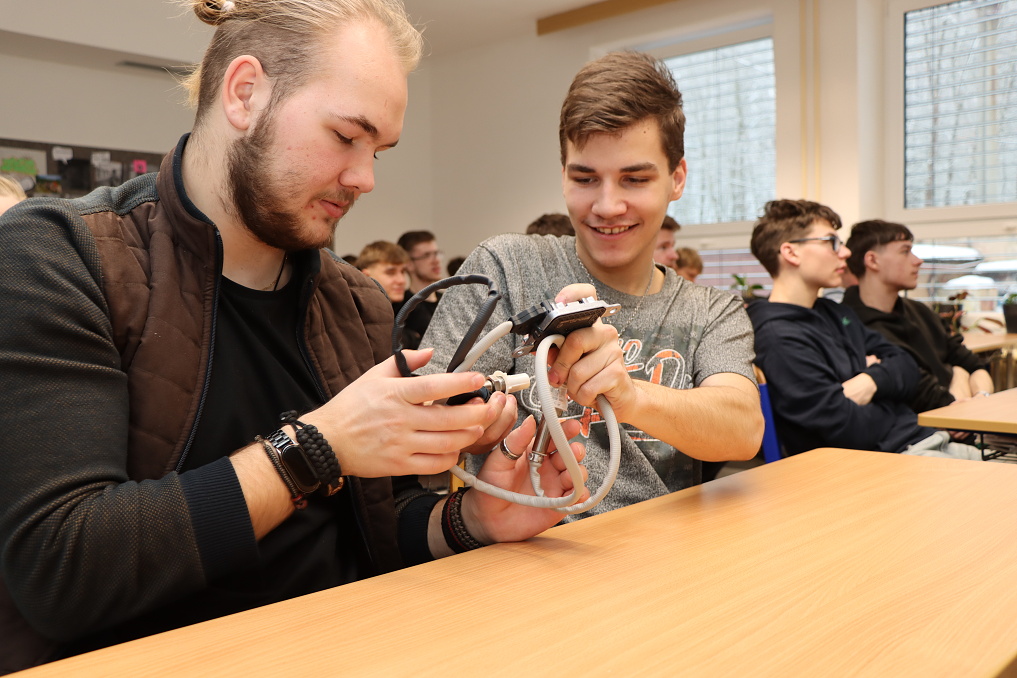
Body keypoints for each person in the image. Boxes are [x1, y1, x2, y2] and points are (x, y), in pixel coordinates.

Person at [0, 1, 587, 672]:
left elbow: (380, 528)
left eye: (377, 151)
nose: (366, 178)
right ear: (245, 93)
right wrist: (316, 446)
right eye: (346, 136)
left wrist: (472, 520)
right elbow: (60, 570)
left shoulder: (356, 303)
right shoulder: (61, 258)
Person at [419, 51, 763, 518]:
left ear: (677, 178)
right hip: (521, 545)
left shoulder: (710, 310)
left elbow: (743, 431)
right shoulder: (505, 267)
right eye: (585, 178)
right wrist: (473, 429)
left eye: (634, 179)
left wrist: (631, 396)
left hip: (659, 547)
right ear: (563, 177)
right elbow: (427, 426)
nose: (607, 206)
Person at [746, 199, 986, 459]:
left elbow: (905, 364)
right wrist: (890, 396)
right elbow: (844, 426)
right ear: (791, 253)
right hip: (885, 459)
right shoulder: (777, 336)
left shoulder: (836, 313)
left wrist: (870, 381)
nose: (845, 253)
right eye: (831, 242)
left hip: (922, 441)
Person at [841, 219, 992, 412]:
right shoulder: (849, 325)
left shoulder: (921, 312)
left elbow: (974, 366)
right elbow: (927, 398)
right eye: (905, 251)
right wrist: (959, 375)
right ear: (872, 260)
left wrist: (981, 396)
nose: (918, 260)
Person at [396, 229, 443, 344]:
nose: (436, 260)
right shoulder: (401, 306)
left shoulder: (448, 300)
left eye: (436, 253)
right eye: (427, 255)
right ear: (409, 264)